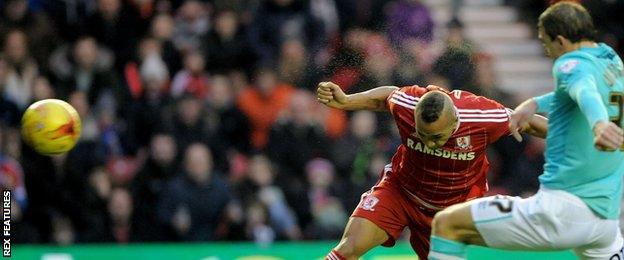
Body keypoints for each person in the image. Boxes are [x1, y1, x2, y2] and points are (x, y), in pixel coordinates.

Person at [428, 2, 624, 260]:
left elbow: (584, 91)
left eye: (546, 42)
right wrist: (535, 104)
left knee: (447, 224)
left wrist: (598, 123)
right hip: (606, 221)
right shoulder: (609, 58)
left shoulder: (570, 64)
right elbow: (579, 93)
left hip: (562, 212)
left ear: (562, 41)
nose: (546, 50)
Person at [316, 81, 548, 260]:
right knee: (347, 250)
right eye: (423, 135)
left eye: (437, 137)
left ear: (455, 119)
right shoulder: (407, 103)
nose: (430, 143)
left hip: (448, 213)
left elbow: (528, 121)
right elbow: (387, 97)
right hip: (400, 192)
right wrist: (347, 101)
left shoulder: (483, 115)